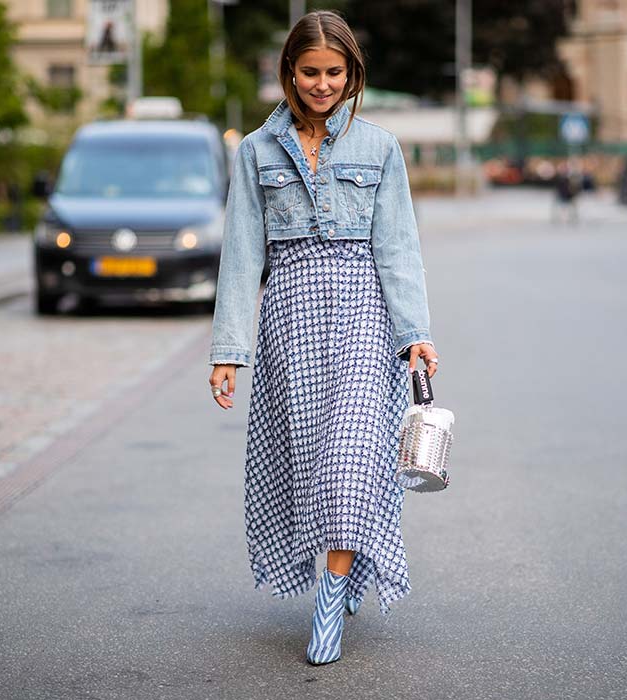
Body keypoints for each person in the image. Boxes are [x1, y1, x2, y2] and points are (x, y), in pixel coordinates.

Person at [207, 10, 438, 666]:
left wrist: (415, 334)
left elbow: (398, 247)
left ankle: (331, 599)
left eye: (334, 72)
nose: (322, 83)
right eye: (310, 72)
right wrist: (229, 351)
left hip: (366, 313)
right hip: (290, 318)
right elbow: (243, 254)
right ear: (288, 72)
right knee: (310, 464)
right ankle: (348, 563)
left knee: (350, 461)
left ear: (351, 74)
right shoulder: (255, 150)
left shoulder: (380, 147)